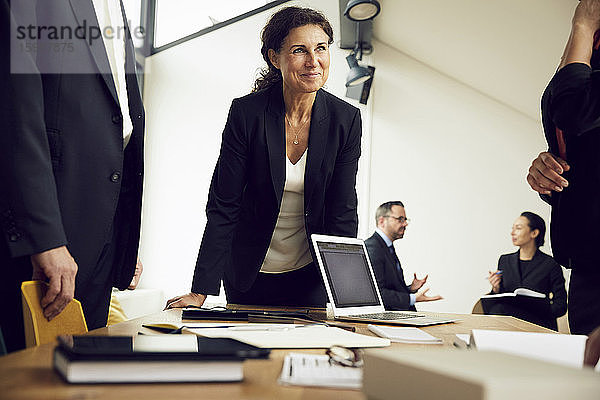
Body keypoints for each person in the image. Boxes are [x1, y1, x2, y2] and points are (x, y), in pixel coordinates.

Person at [165, 6, 361, 309]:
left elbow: (342, 211)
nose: (313, 61)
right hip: (248, 272)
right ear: (274, 57)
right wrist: (200, 290)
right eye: (299, 50)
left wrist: (346, 293)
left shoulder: (345, 119)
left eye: (321, 48)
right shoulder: (247, 114)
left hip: (311, 275)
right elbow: (224, 205)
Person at [0, 0, 145, 352]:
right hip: (49, 227)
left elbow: (118, 119)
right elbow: (17, 109)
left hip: (101, 227)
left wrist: (121, 233)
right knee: (34, 374)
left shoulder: (120, 8)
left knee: (83, 372)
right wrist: (44, 237)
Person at [526, 0, 600, 335]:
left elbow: (572, 110)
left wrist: (582, 24)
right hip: (585, 256)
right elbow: (572, 136)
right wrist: (549, 176)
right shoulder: (591, 49)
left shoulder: (585, 35)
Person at [487, 212, 567, 330]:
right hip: (510, 321)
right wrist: (496, 289)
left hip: (539, 322)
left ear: (534, 233)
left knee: (498, 310)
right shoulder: (505, 260)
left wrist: (539, 308)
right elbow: (502, 297)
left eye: (518, 228)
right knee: (496, 310)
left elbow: (560, 306)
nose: (512, 232)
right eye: (512, 228)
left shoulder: (551, 264)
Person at [364, 201, 442, 311]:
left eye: (405, 220)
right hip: (389, 322)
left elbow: (390, 287)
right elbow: (377, 294)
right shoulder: (372, 248)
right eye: (400, 219)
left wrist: (410, 288)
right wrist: (413, 298)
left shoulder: (386, 246)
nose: (405, 224)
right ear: (382, 221)